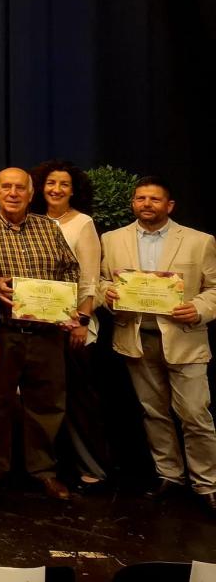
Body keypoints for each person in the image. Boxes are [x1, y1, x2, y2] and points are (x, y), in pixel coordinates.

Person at [97, 176, 216, 514]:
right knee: (154, 412)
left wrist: (201, 309)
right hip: (136, 336)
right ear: (132, 203)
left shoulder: (199, 240)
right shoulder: (113, 239)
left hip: (184, 339)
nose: (146, 204)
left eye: (154, 199)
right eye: (140, 198)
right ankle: (169, 475)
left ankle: (207, 484)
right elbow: (104, 280)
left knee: (194, 414)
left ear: (169, 205)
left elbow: (214, 288)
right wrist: (108, 294)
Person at [0, 167, 81, 501]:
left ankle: (43, 471)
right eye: (6, 187)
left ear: (30, 192)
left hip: (47, 333)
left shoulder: (48, 229)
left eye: (19, 188)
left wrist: (66, 303)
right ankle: (0, 469)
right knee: (0, 402)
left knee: (47, 403)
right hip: (4, 332)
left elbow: (71, 269)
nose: (12, 193)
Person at [30, 160, 108, 490]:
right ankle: (47, 468)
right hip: (39, 326)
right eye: (50, 183)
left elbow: (90, 278)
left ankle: (92, 468)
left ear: (73, 189)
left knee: (78, 400)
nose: (56, 189)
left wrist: (82, 321)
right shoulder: (33, 222)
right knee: (43, 401)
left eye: (63, 184)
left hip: (74, 325)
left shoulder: (83, 223)